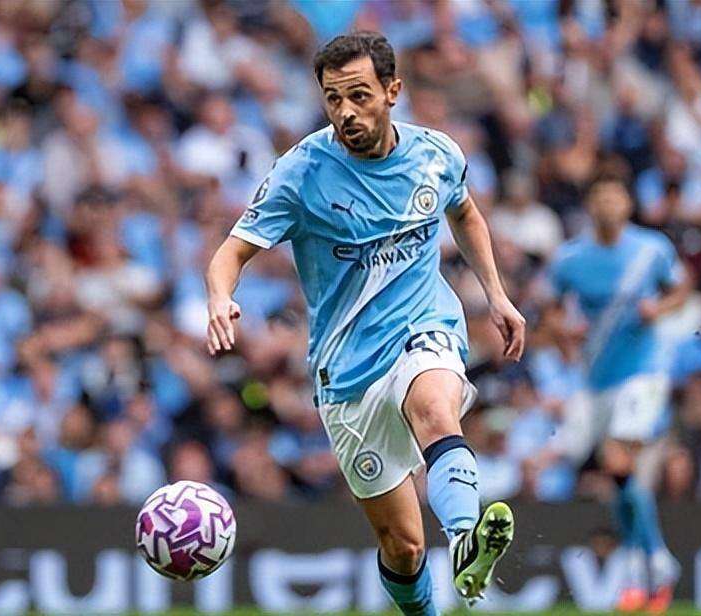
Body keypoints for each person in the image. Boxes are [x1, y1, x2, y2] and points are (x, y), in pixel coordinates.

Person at [205, 32, 525, 613]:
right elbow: (231, 251)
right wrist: (220, 298)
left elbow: (466, 213)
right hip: (348, 370)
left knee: (435, 409)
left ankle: (465, 540)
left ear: (392, 91)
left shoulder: (436, 155)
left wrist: (496, 295)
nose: (346, 111)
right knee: (403, 546)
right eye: (334, 99)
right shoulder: (302, 173)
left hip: (423, 327)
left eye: (359, 95)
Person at [547, 177, 692, 613]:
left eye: (615, 196)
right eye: (600, 197)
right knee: (619, 481)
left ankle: (646, 564)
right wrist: (565, 333)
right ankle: (652, 563)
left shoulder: (652, 249)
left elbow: (680, 290)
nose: (608, 204)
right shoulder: (570, 259)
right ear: (589, 206)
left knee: (616, 460)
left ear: (628, 204)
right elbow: (551, 311)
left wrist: (659, 309)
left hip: (644, 372)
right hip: (596, 379)